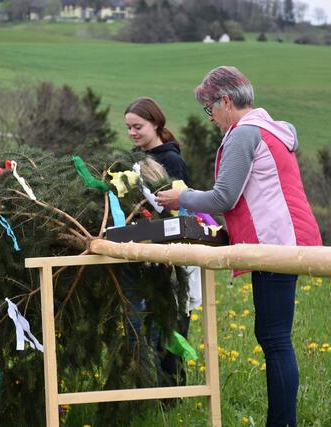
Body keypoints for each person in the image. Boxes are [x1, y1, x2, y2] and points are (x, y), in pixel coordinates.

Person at [156, 66, 322, 427]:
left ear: (226, 101)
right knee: (274, 336)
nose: (211, 118)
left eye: (210, 109)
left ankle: (282, 422)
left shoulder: (243, 134)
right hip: (284, 239)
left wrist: (182, 196)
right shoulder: (268, 129)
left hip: (274, 243)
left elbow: (223, 196)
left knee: (275, 338)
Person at [124, 97, 200, 389]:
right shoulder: (130, 159)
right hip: (143, 252)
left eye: (138, 126)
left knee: (171, 328)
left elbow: (180, 208)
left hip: (170, 253)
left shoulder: (171, 160)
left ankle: (172, 395)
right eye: (129, 127)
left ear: (156, 123)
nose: (132, 132)